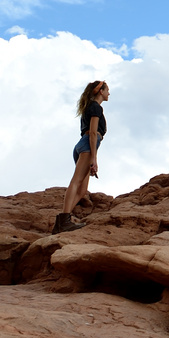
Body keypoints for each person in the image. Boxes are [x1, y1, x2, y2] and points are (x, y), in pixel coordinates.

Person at [55, 79, 108, 234]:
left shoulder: (89, 107)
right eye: (107, 90)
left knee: (82, 189)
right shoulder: (95, 107)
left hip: (82, 145)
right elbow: (92, 133)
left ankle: (61, 222)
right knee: (76, 182)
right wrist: (94, 158)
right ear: (100, 91)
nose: (109, 93)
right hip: (87, 145)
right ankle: (64, 220)